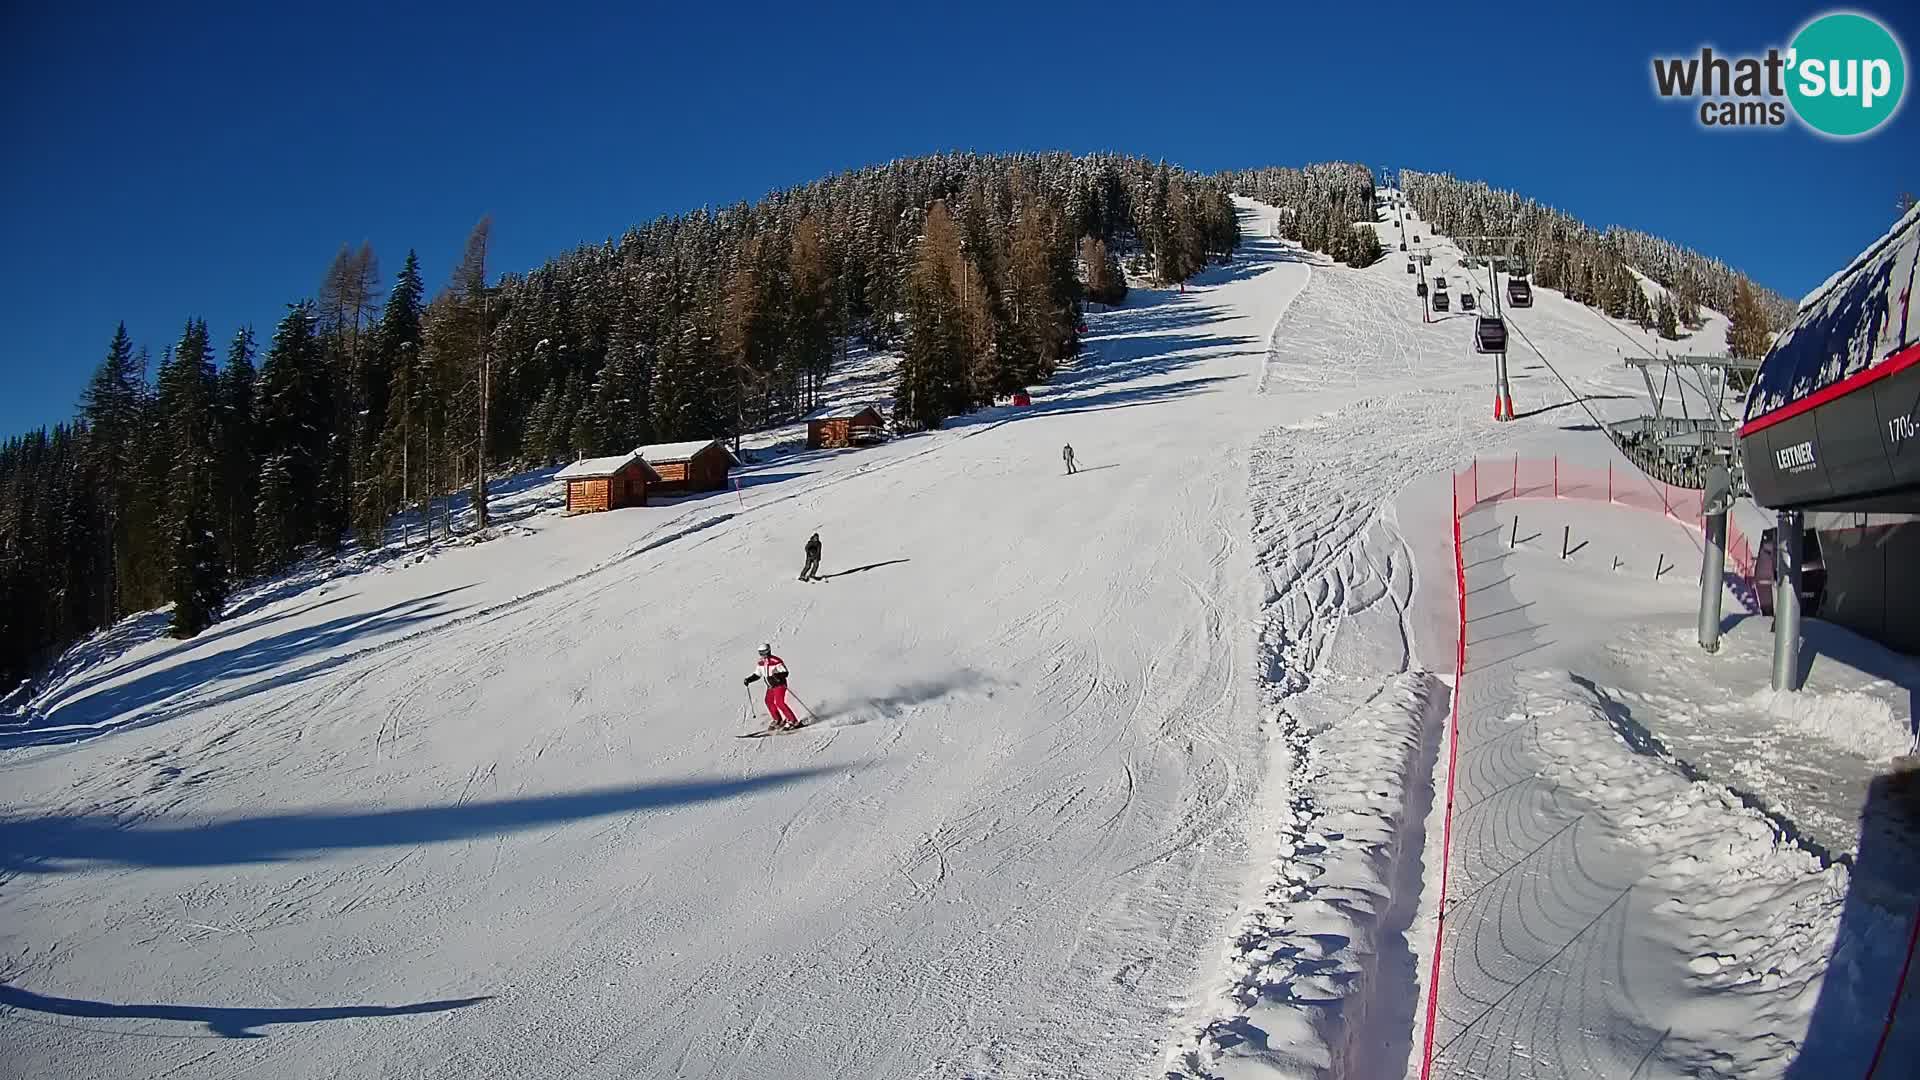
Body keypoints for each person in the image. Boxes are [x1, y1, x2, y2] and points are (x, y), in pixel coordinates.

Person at [744, 643, 801, 729]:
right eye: (761, 653)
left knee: (779, 703)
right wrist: (749, 679)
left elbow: (785, 672)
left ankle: (793, 721)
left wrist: (778, 677)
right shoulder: (760, 663)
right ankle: (778, 720)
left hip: (779, 685)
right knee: (768, 701)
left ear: (768, 651)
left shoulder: (776, 661)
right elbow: (757, 674)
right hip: (770, 686)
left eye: (764, 652)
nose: (763, 655)